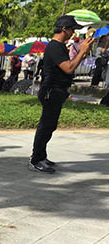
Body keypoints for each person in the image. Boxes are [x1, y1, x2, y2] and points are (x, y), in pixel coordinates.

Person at [29, 15, 93, 174]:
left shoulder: (60, 47)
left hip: (58, 91)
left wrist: (84, 52)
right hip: (51, 90)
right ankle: (36, 159)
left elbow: (70, 65)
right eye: (72, 30)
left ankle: (41, 155)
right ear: (64, 29)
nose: (73, 33)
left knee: (50, 125)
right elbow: (69, 68)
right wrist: (82, 51)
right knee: (45, 125)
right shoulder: (55, 47)